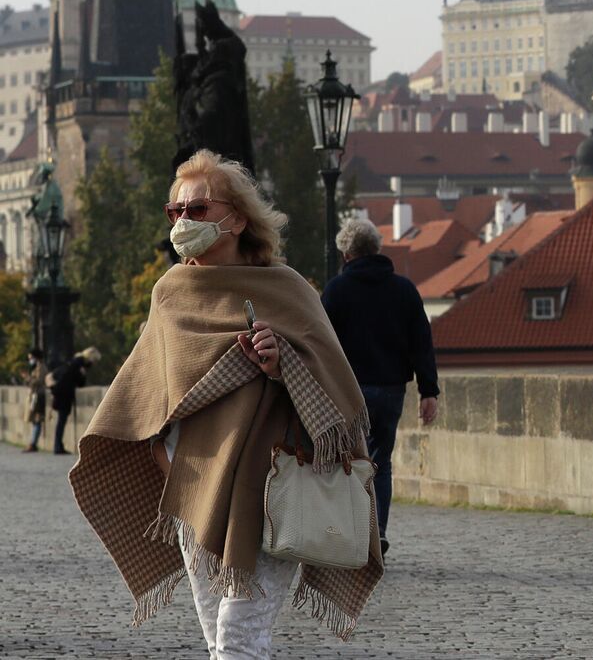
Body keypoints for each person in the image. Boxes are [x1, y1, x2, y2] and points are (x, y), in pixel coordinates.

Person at [69, 149, 382, 657]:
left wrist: (284, 365)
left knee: (239, 638)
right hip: (196, 487)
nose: (183, 222)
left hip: (272, 488)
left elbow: (339, 396)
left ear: (236, 219)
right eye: (176, 212)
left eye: (197, 210)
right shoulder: (170, 293)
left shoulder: (289, 291)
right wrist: (162, 458)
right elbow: (147, 393)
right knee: (218, 635)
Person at [321, 216, 440, 552]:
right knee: (380, 462)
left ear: (346, 254)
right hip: (390, 389)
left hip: (347, 389)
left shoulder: (337, 290)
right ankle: (378, 530)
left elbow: (322, 343)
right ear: (377, 248)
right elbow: (422, 342)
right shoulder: (403, 289)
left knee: (343, 461)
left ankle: (347, 531)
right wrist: (428, 390)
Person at [47, 345, 99, 455]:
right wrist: (83, 375)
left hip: (61, 394)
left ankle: (58, 445)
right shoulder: (79, 365)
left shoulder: (74, 362)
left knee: (61, 422)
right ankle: (58, 447)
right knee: (61, 421)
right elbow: (80, 382)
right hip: (64, 395)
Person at [18, 348, 47, 452]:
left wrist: (27, 377)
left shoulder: (41, 367)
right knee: (34, 420)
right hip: (34, 395)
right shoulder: (36, 367)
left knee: (37, 419)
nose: (30, 360)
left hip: (38, 395)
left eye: (31, 357)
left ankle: (33, 443)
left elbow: (39, 381)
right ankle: (32, 442)